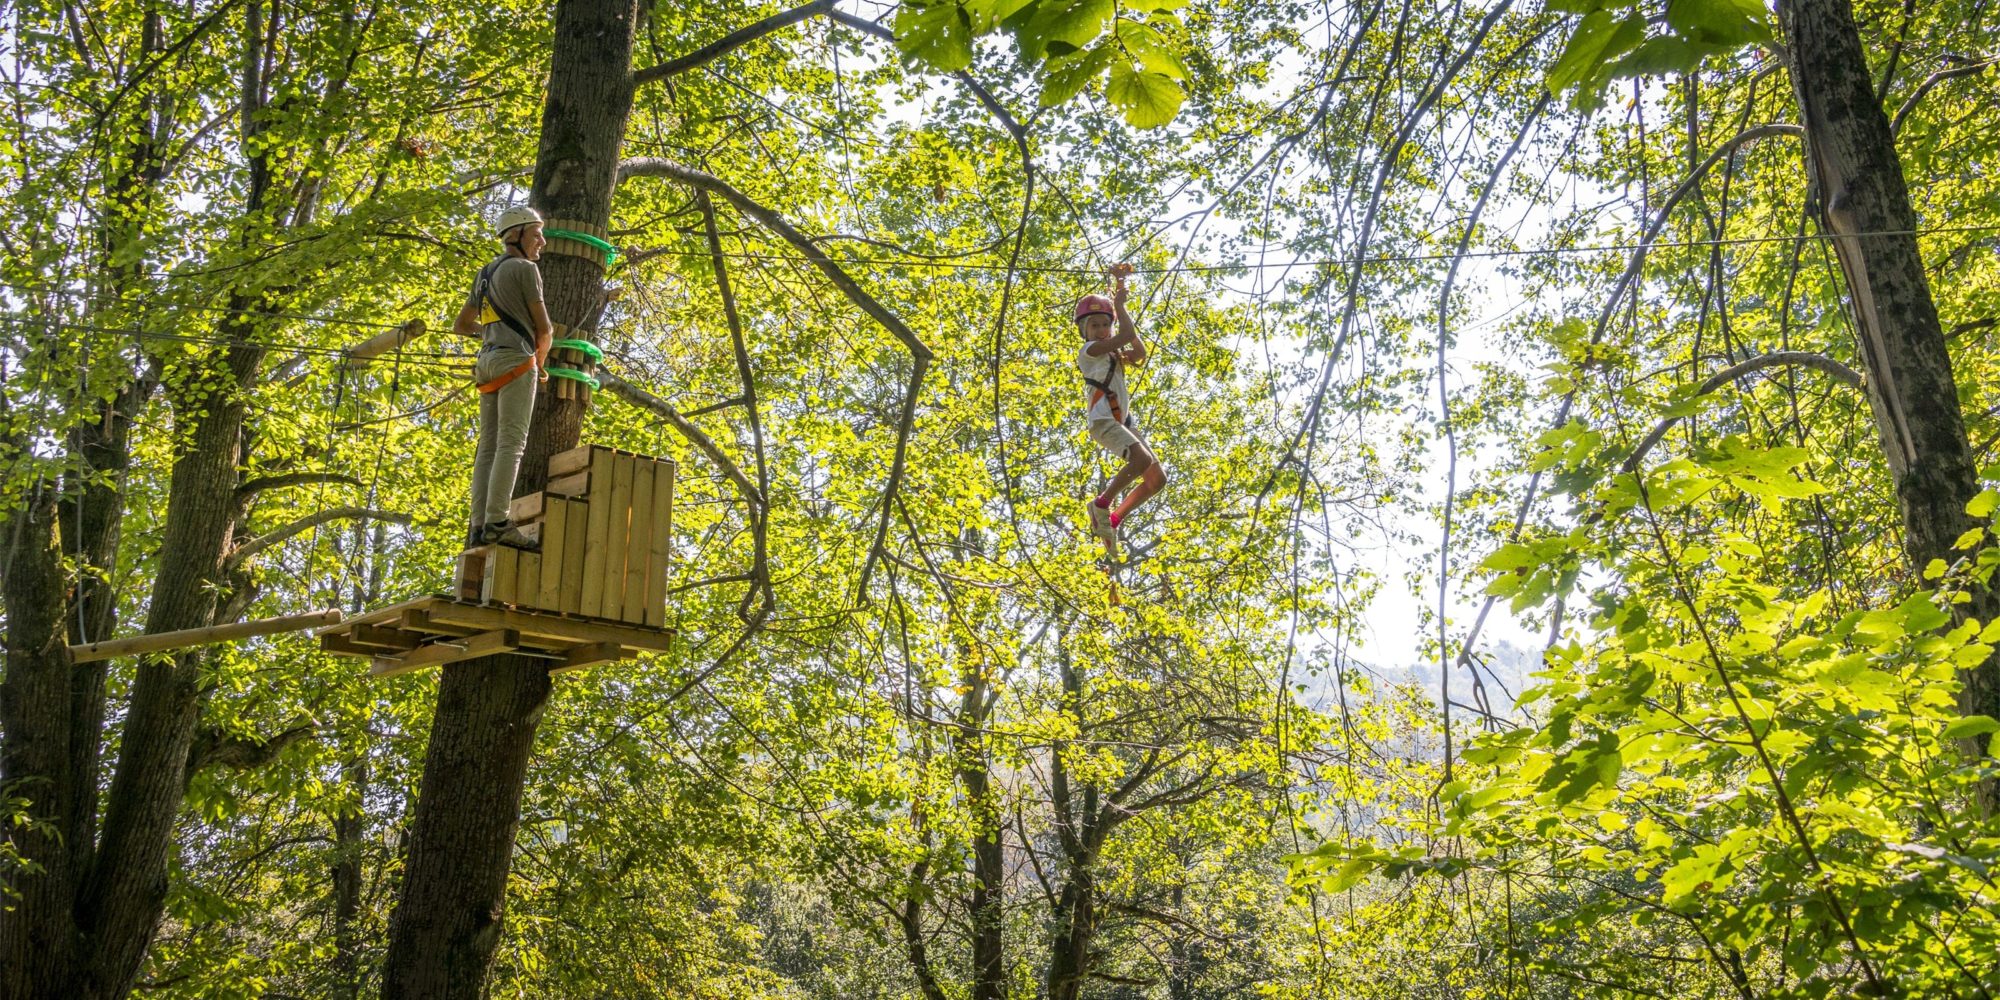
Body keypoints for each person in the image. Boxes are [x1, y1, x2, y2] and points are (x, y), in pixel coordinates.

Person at [453, 205, 553, 549]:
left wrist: (493, 335)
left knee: (488, 446)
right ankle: (497, 521)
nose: (541, 240)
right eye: (536, 233)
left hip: (488, 363)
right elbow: (544, 331)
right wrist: (539, 365)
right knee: (512, 443)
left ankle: (479, 523)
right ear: (516, 235)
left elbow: (462, 325)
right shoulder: (525, 270)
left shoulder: (484, 273)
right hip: (515, 363)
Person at [1077, 264, 1167, 542]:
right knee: (1141, 459)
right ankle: (1101, 504)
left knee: (1156, 479)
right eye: (1095, 325)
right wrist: (1118, 305)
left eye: (1106, 324)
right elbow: (1126, 336)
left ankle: (1113, 520)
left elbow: (1138, 350)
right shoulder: (1089, 351)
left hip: (1122, 421)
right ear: (1084, 330)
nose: (1102, 329)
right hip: (1103, 420)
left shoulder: (1113, 352)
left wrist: (1118, 306)